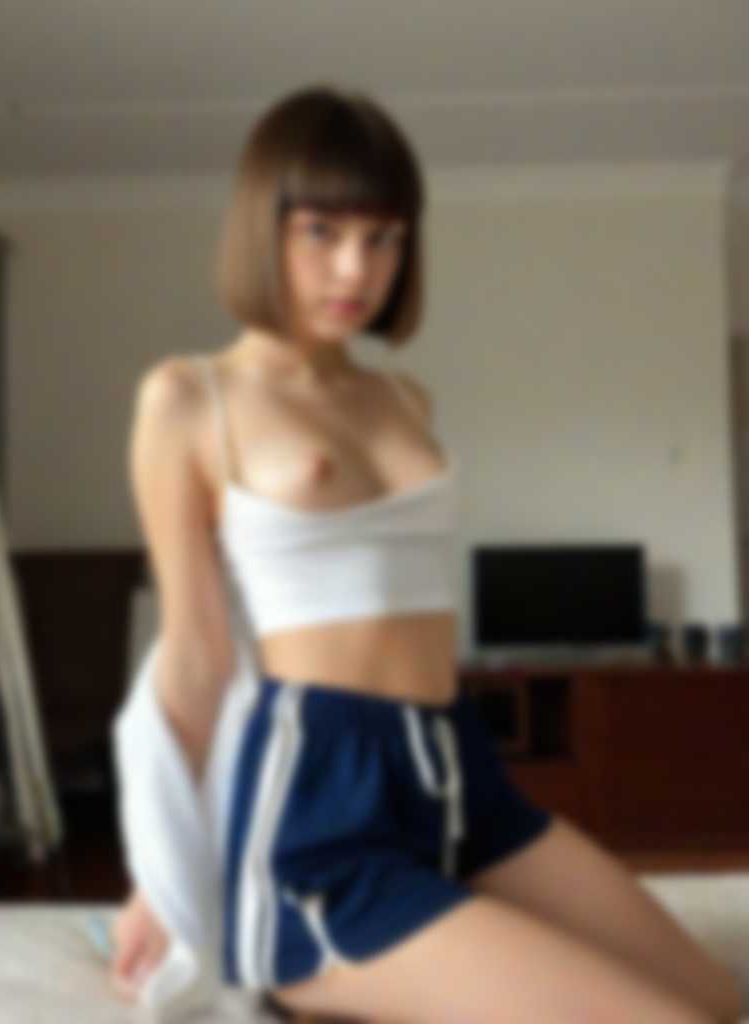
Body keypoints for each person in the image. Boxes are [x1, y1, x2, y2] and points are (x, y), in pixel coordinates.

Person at [110, 83, 743, 1023]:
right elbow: (196, 658)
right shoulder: (189, 398)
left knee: (715, 998)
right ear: (261, 227)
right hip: (321, 812)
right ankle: (324, 967)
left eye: (384, 237)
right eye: (321, 231)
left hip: (457, 773)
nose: (355, 267)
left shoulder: (404, 398)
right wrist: (160, 879)